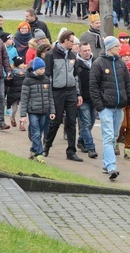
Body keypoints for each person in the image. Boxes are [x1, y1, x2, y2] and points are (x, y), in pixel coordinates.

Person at [89, 36, 130, 180]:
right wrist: (100, 107)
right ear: (109, 48)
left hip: (119, 107)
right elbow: (93, 87)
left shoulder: (121, 64)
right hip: (106, 108)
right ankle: (111, 166)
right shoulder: (98, 64)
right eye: (117, 46)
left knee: (114, 137)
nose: (119, 49)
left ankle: (105, 163)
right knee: (108, 136)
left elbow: (128, 86)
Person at [43, 30, 83, 162]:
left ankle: (71, 151)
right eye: (72, 41)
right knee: (56, 120)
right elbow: (47, 76)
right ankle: (46, 146)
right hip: (57, 92)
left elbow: (76, 76)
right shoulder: (51, 55)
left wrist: (78, 94)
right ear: (65, 41)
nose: (74, 44)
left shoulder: (72, 55)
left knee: (72, 121)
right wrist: (48, 94)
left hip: (70, 91)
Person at [20, 57, 56, 163]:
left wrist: (52, 111)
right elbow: (24, 98)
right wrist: (23, 115)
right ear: (35, 69)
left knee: (39, 133)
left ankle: (32, 150)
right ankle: (39, 154)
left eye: (44, 69)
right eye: (40, 69)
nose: (42, 71)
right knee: (35, 133)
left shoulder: (46, 80)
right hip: (33, 111)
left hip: (44, 111)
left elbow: (50, 97)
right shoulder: (27, 81)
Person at [74, 42, 98, 159]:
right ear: (79, 52)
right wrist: (78, 94)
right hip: (82, 99)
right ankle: (90, 147)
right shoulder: (76, 64)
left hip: (94, 98)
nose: (87, 52)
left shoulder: (96, 62)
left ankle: (81, 140)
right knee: (86, 122)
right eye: (85, 51)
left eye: (88, 50)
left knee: (91, 122)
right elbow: (76, 81)